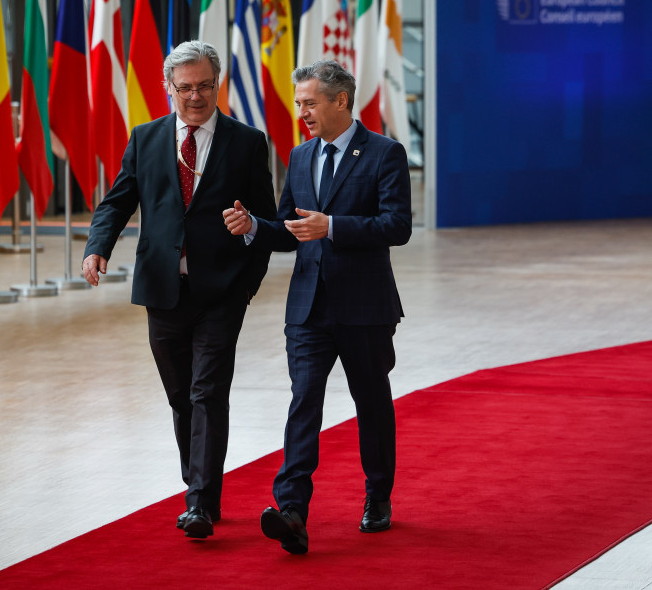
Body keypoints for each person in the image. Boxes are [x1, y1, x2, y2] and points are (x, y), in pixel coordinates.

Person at [83, 40, 276, 539]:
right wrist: (97, 247)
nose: (195, 97)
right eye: (185, 87)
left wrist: (245, 287)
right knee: (180, 396)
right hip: (163, 289)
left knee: (207, 392)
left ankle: (199, 505)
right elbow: (118, 201)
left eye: (205, 86)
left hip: (221, 292)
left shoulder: (247, 141)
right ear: (168, 87)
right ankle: (199, 486)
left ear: (218, 85)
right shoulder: (146, 138)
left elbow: (266, 221)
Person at [222, 60, 412, 554]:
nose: (301, 111)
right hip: (307, 309)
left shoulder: (385, 154)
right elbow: (288, 229)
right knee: (303, 402)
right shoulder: (300, 156)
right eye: (298, 102)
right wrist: (254, 229)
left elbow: (397, 226)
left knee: (371, 403)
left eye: (309, 102)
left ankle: (377, 497)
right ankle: (292, 512)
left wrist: (336, 226)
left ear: (340, 101)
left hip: (365, 307)